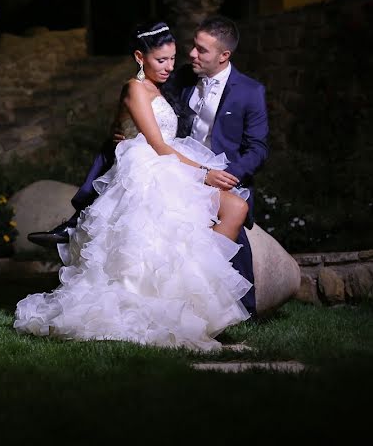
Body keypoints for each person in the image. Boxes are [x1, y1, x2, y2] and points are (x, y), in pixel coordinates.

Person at [14, 21, 254, 351]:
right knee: (150, 241)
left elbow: (130, 125)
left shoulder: (158, 88)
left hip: (172, 160)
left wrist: (122, 128)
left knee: (236, 207)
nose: (170, 67)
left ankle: (197, 297)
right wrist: (203, 173)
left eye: (173, 59)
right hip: (153, 164)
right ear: (140, 57)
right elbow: (157, 144)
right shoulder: (136, 88)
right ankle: (164, 306)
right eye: (161, 60)